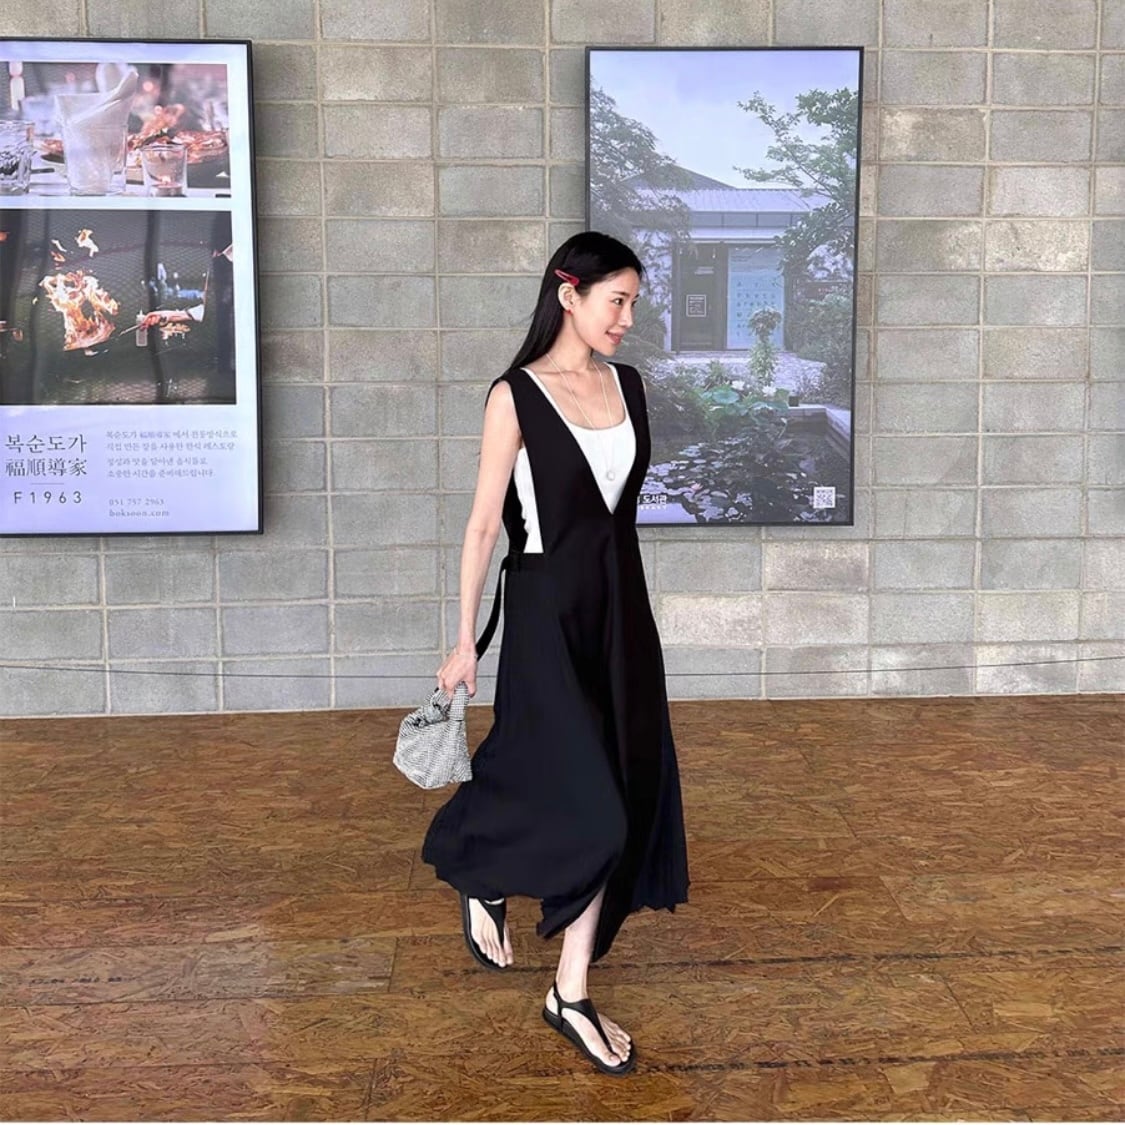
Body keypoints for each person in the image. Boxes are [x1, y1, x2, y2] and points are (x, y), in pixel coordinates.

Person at [421, 232, 690, 1075]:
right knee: (588, 805)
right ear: (569, 295)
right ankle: (480, 866)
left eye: (634, 302)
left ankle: (569, 991)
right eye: (617, 300)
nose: (627, 317)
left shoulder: (629, 386)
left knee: (625, 790)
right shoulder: (515, 396)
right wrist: (464, 639)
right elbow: (481, 526)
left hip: (622, 614)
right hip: (546, 612)